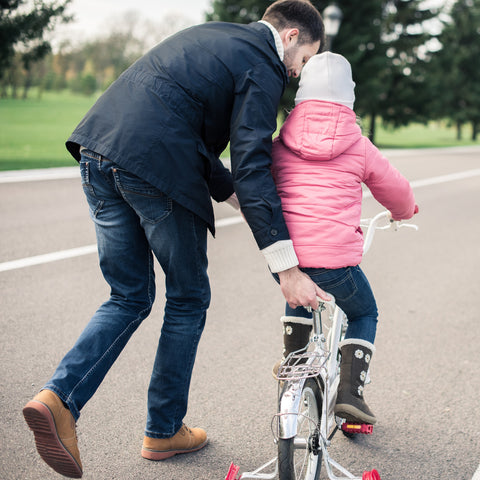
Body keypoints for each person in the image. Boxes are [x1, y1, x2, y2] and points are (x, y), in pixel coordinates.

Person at [22, 1, 329, 478]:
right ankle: (163, 429)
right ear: (290, 37)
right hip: (154, 167)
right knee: (187, 298)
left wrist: (250, 213)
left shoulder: (211, 37)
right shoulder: (265, 63)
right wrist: (287, 270)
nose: (297, 73)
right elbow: (251, 162)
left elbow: (191, 139)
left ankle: (57, 399)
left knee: (128, 295)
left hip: (98, 152)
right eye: (305, 60)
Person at [270, 52, 418, 425]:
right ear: (349, 101)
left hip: (287, 259)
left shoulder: (280, 143)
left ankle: (294, 364)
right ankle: (351, 393)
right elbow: (396, 190)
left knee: (299, 294)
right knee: (364, 311)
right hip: (336, 263)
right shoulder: (360, 146)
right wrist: (404, 211)